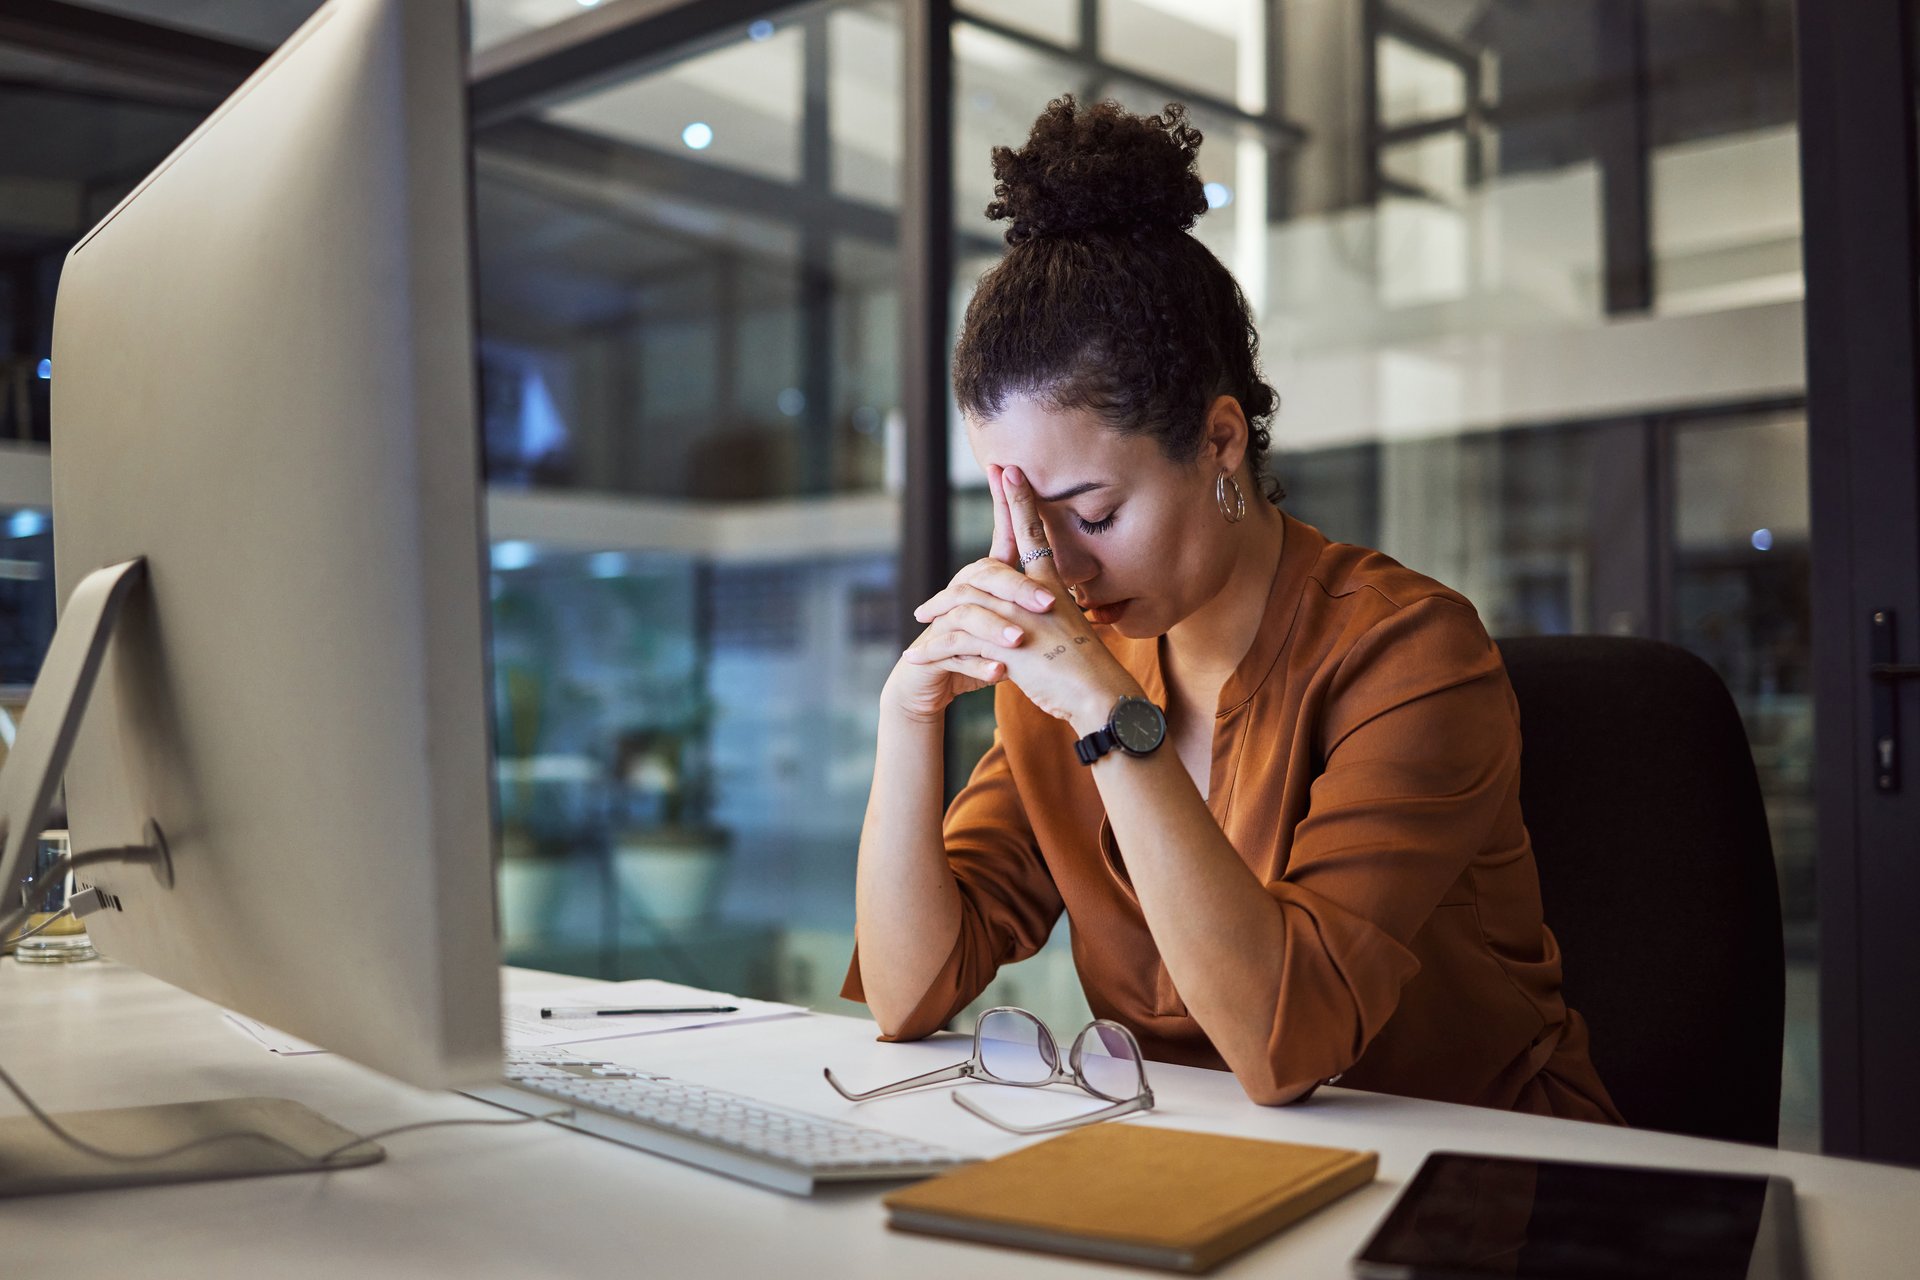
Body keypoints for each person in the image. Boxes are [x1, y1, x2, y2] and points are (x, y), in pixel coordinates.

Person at [844, 96, 1622, 1122]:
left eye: (1092, 511)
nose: (1059, 569)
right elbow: (907, 994)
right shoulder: (1071, 671)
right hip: (1214, 1169)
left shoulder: (1410, 650)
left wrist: (1109, 718)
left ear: (1219, 443)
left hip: (1487, 1185)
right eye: (1024, 516)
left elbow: (1282, 1040)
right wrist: (908, 713)